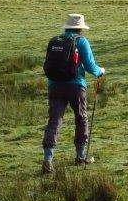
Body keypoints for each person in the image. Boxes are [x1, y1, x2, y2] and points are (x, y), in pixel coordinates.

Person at [41, 14, 105, 174]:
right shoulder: (81, 42)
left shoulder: (55, 41)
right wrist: (101, 71)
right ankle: (81, 156)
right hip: (76, 85)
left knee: (54, 120)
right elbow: (90, 66)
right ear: (80, 29)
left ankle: (48, 159)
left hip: (54, 85)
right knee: (81, 118)